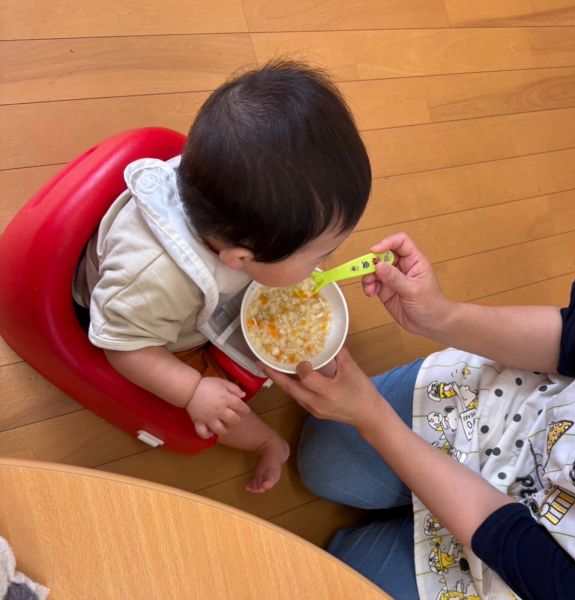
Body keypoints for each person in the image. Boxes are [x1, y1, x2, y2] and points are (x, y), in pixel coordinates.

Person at [72, 60, 371, 493]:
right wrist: (193, 390)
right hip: (141, 327)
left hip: (200, 286)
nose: (329, 262)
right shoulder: (155, 280)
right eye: (319, 255)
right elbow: (123, 346)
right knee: (221, 407)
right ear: (240, 258)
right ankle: (267, 443)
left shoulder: (229, 204)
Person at [262, 232, 575, 598]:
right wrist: (442, 317)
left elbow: (509, 541)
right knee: (324, 457)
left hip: (511, 565)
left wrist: (372, 417)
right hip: (521, 417)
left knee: (332, 579)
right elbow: (574, 336)